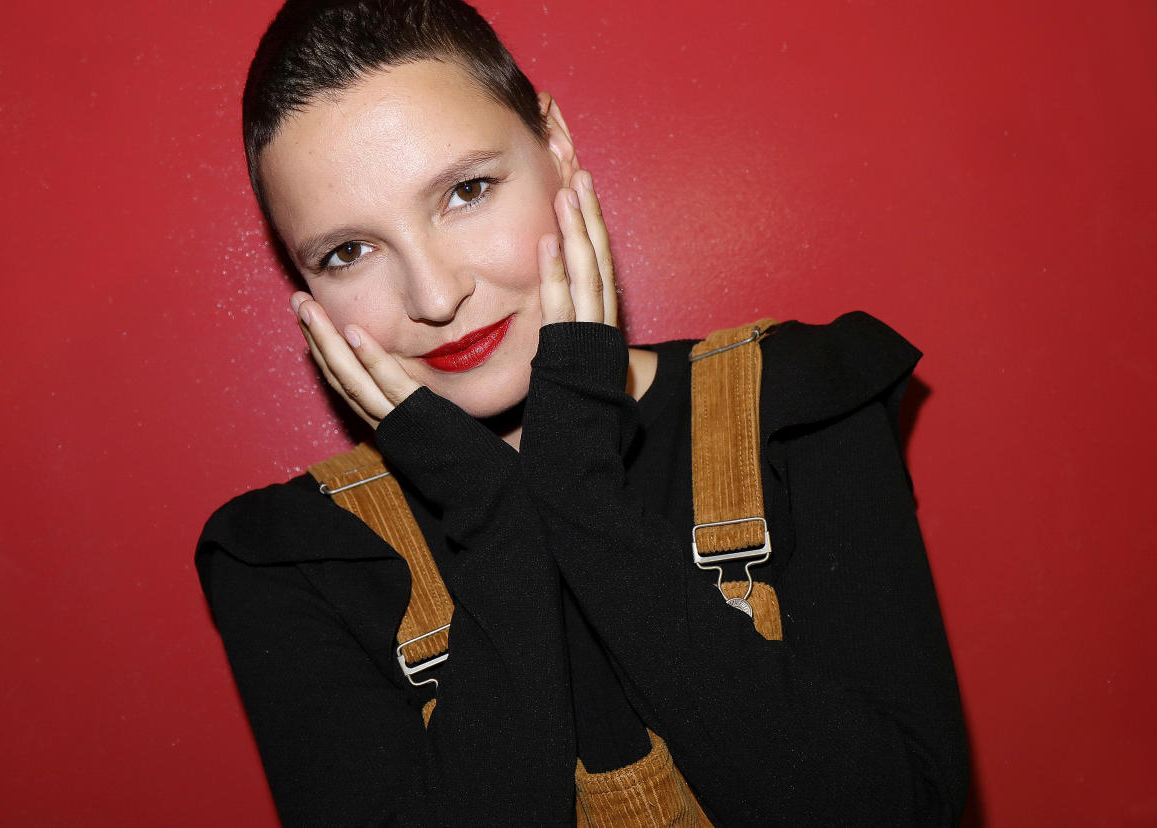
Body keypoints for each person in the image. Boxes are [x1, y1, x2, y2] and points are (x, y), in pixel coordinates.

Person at [196, 0, 969, 825]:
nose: (434, 295)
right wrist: (497, 518)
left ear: (556, 146)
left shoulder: (793, 403)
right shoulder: (294, 559)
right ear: (304, 284)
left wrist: (579, 493)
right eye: (348, 252)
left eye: (467, 190)